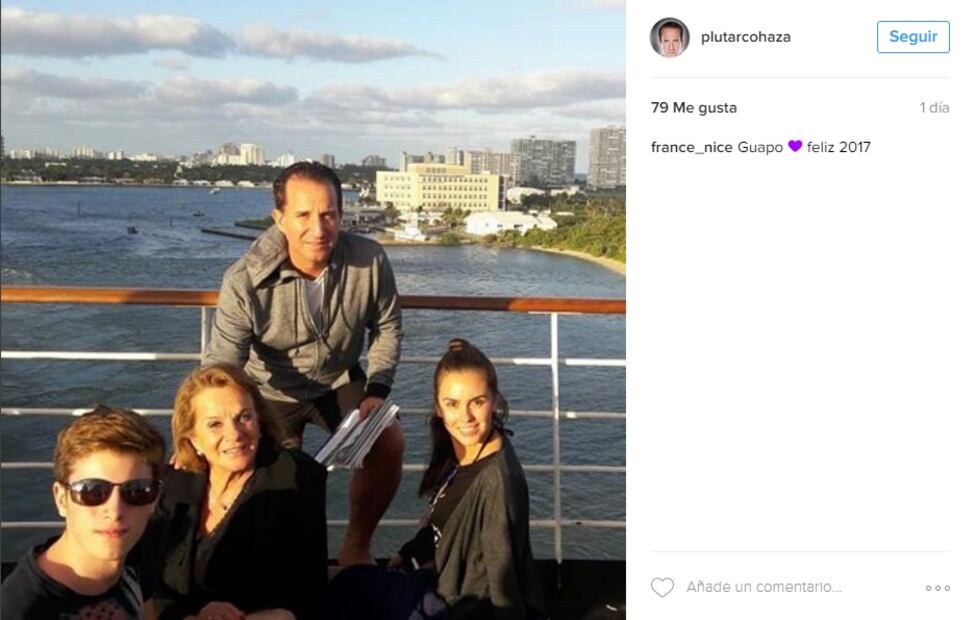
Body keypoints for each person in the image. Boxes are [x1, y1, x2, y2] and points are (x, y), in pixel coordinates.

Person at [204, 161, 404, 566]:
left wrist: (377, 389)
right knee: (280, 474)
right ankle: (270, 565)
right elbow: (223, 366)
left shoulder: (369, 260)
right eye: (303, 215)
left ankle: (356, 545)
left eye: (328, 214)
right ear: (279, 218)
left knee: (388, 439)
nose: (318, 228)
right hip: (271, 389)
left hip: (339, 379)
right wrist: (199, 428)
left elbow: (387, 326)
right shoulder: (244, 280)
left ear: (341, 215)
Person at [144, 364, 328, 620]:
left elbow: (309, 586)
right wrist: (196, 613)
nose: (235, 434)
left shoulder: (295, 477)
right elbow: (156, 582)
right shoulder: (174, 483)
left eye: (244, 417)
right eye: (215, 424)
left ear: (260, 421)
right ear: (193, 438)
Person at [390, 339, 547, 619]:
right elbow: (444, 522)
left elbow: (503, 580)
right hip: (435, 581)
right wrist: (408, 552)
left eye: (478, 402)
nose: (466, 417)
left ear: (494, 401)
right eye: (452, 404)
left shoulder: (497, 483)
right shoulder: (464, 452)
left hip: (461, 607)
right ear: (439, 408)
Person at [1, 406, 165, 619]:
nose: (115, 510)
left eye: (137, 491)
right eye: (92, 491)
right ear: (61, 499)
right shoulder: (20, 610)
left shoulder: (134, 553)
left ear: (155, 498)